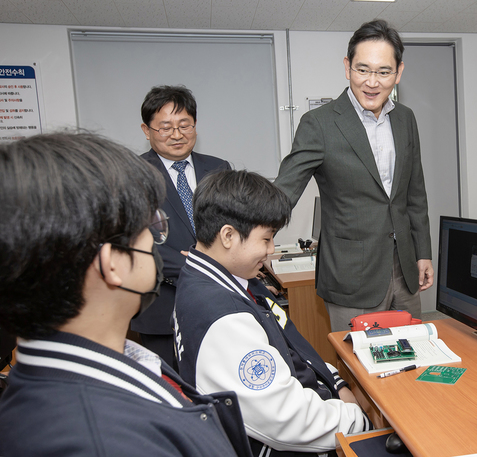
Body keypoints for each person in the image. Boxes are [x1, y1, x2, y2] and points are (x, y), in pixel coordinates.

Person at [0, 132, 252, 457]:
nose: (157, 237)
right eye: (150, 225)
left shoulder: (65, 379)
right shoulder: (103, 441)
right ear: (113, 263)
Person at [174, 170, 371, 456]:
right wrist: (358, 420)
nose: (271, 250)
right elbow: (287, 420)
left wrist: (334, 381)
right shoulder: (223, 317)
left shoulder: (222, 280)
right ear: (228, 235)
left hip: (316, 401)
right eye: (266, 239)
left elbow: (290, 345)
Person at [274, 19, 434, 332]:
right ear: (347, 67)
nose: (372, 82)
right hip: (351, 276)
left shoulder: (405, 118)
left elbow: (414, 193)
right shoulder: (319, 123)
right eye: (363, 69)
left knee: (413, 358)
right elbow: (284, 190)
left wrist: (423, 252)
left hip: (404, 269)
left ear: (398, 72)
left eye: (383, 72)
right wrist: (244, 232)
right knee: (358, 367)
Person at [131, 85, 231, 369]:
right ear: (146, 130)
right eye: (165, 127)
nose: (177, 134)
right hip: (163, 305)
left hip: (218, 301)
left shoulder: (219, 168)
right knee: (173, 393)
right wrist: (202, 263)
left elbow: (234, 226)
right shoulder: (133, 177)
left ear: (195, 126)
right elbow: (134, 242)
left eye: (184, 125)